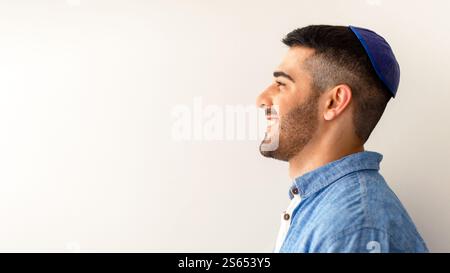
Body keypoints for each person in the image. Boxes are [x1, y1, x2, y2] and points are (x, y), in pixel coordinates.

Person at [256, 25, 428, 253]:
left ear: (334, 102)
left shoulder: (354, 229)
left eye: (281, 84)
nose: (261, 100)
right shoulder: (324, 205)